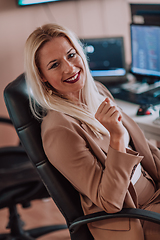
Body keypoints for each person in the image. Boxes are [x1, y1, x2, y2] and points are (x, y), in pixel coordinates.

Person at [24, 23, 160, 240]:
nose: (69, 68)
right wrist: (116, 138)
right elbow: (110, 201)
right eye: (54, 65)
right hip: (136, 217)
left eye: (71, 55)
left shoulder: (96, 91)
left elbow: (144, 148)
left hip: (154, 195)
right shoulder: (59, 130)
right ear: (42, 76)